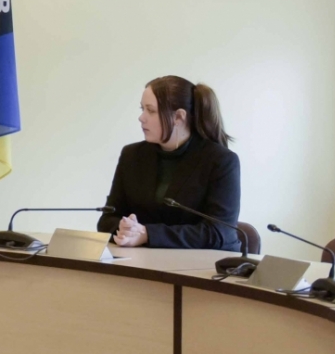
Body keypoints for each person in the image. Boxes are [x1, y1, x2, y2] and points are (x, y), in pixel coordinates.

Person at [98, 76, 240, 249]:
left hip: (203, 262)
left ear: (178, 117)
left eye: (151, 111)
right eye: (142, 109)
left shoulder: (221, 161)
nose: (141, 117)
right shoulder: (132, 155)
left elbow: (220, 232)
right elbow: (107, 219)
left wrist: (148, 234)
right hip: (142, 259)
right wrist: (124, 228)